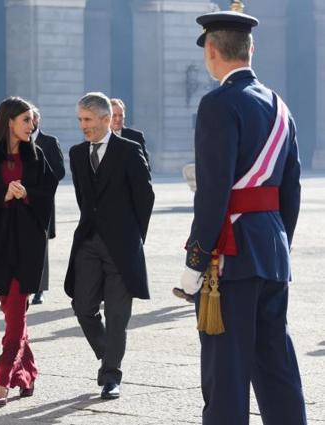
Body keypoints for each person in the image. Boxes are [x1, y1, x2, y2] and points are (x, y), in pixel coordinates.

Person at [179, 10, 307, 425]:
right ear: (251, 49)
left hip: (230, 258)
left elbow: (214, 192)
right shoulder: (280, 108)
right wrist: (276, 240)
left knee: (226, 374)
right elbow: (291, 189)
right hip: (271, 250)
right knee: (276, 366)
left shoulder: (218, 103)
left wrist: (195, 260)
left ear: (211, 51)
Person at [0, 96, 58, 406]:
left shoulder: (37, 155)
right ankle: (27, 373)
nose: (32, 125)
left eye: (32, 120)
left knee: (15, 314)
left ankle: (3, 379)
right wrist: (4, 195)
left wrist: (28, 193)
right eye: (26, 120)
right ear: (9, 122)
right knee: (12, 311)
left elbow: (48, 194)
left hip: (28, 246)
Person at [65, 92, 154, 400]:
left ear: (106, 120)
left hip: (122, 246)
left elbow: (145, 197)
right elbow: (82, 198)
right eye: (80, 120)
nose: (83, 126)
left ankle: (111, 376)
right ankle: (109, 355)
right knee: (82, 307)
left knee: (117, 315)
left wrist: (133, 236)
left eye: (87, 120)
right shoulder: (77, 154)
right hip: (88, 242)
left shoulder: (129, 150)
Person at [30, 108, 65, 304]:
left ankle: (39, 289)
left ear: (38, 120)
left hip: (42, 200)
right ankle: (23, 286)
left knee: (41, 247)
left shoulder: (50, 142)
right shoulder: (15, 141)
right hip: (20, 200)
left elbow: (59, 171)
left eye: (32, 118)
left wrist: (40, 183)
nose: (30, 121)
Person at [109, 98, 151, 171]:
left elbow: (146, 167)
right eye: (114, 116)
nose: (118, 119)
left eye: (121, 115)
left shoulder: (136, 137)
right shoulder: (98, 137)